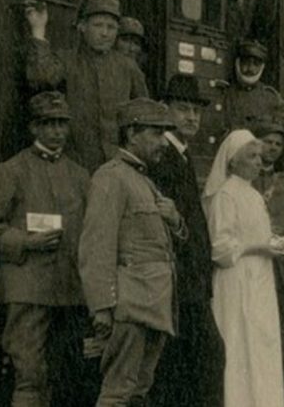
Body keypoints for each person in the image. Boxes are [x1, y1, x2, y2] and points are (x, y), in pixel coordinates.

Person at [0, 92, 90, 407]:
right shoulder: (10, 171)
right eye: (47, 124)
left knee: (67, 374)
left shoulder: (80, 176)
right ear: (33, 128)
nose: (56, 132)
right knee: (29, 377)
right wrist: (25, 241)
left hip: (70, 291)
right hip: (27, 291)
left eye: (61, 124)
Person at [78, 98, 181, 406]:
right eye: (157, 133)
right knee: (117, 393)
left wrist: (175, 221)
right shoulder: (111, 177)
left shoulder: (142, 179)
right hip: (129, 308)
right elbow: (96, 246)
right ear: (132, 134)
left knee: (137, 392)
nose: (164, 142)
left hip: (154, 305)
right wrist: (102, 307)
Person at [148, 75, 225, 407]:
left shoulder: (180, 153)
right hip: (178, 285)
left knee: (192, 365)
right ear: (165, 110)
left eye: (196, 110)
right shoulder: (163, 156)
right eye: (183, 109)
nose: (192, 117)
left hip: (191, 284)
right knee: (201, 361)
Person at [202, 129, 284, 407]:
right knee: (240, 346)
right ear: (232, 162)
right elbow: (221, 248)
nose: (258, 162)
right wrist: (257, 247)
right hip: (237, 281)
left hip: (259, 279)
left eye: (258, 156)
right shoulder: (225, 195)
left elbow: (254, 233)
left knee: (261, 346)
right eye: (250, 156)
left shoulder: (252, 194)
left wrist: (274, 243)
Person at [24, 0, 148, 172]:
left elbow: (143, 115)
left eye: (111, 27)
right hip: (75, 165)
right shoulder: (67, 60)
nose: (105, 33)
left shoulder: (128, 67)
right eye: (98, 25)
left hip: (117, 168)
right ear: (82, 26)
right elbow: (39, 78)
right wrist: (38, 30)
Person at [252, 123, 284, 403]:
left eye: (277, 144)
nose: (271, 148)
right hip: (257, 265)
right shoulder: (245, 177)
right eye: (267, 141)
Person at [221, 40, 284, 139]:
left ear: (262, 67)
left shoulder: (270, 97)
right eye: (246, 63)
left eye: (255, 64)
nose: (250, 68)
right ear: (238, 63)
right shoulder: (225, 94)